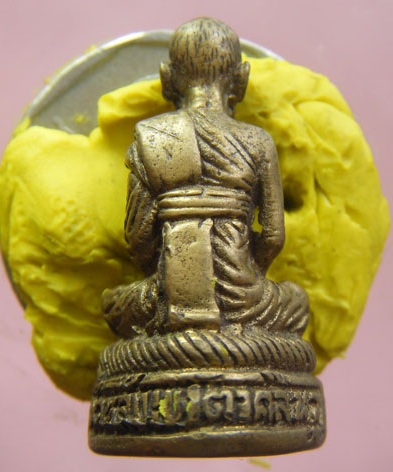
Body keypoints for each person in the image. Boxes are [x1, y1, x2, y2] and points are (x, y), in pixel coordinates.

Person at [102, 17, 309, 339]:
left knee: (114, 306)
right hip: (244, 298)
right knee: (296, 302)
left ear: (166, 77)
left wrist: (167, 276)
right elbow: (272, 237)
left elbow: (138, 238)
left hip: (167, 297)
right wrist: (245, 277)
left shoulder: (152, 136)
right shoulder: (258, 141)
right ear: (241, 78)